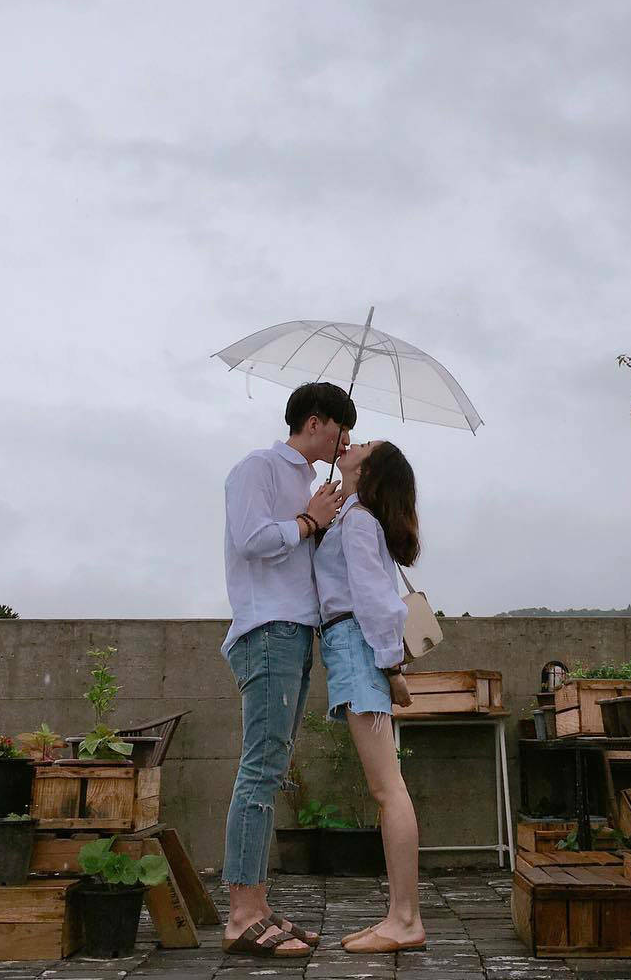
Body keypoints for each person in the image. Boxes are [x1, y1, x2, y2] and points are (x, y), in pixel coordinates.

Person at [220, 381, 356, 960]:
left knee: (272, 770)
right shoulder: (258, 468)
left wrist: (322, 518)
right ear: (316, 421)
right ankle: (242, 914)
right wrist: (306, 521)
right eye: (340, 428)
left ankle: (260, 905)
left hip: (295, 632)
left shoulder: (308, 485)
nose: (344, 439)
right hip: (267, 630)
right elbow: (251, 540)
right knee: (260, 768)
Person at [313, 439, 427, 954]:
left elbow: (377, 602)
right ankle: (399, 916)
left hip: (358, 649)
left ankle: (405, 919)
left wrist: (391, 667)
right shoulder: (351, 516)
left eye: (364, 443)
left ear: (370, 467)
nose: (353, 441)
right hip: (353, 649)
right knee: (388, 788)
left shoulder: (359, 520)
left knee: (388, 789)